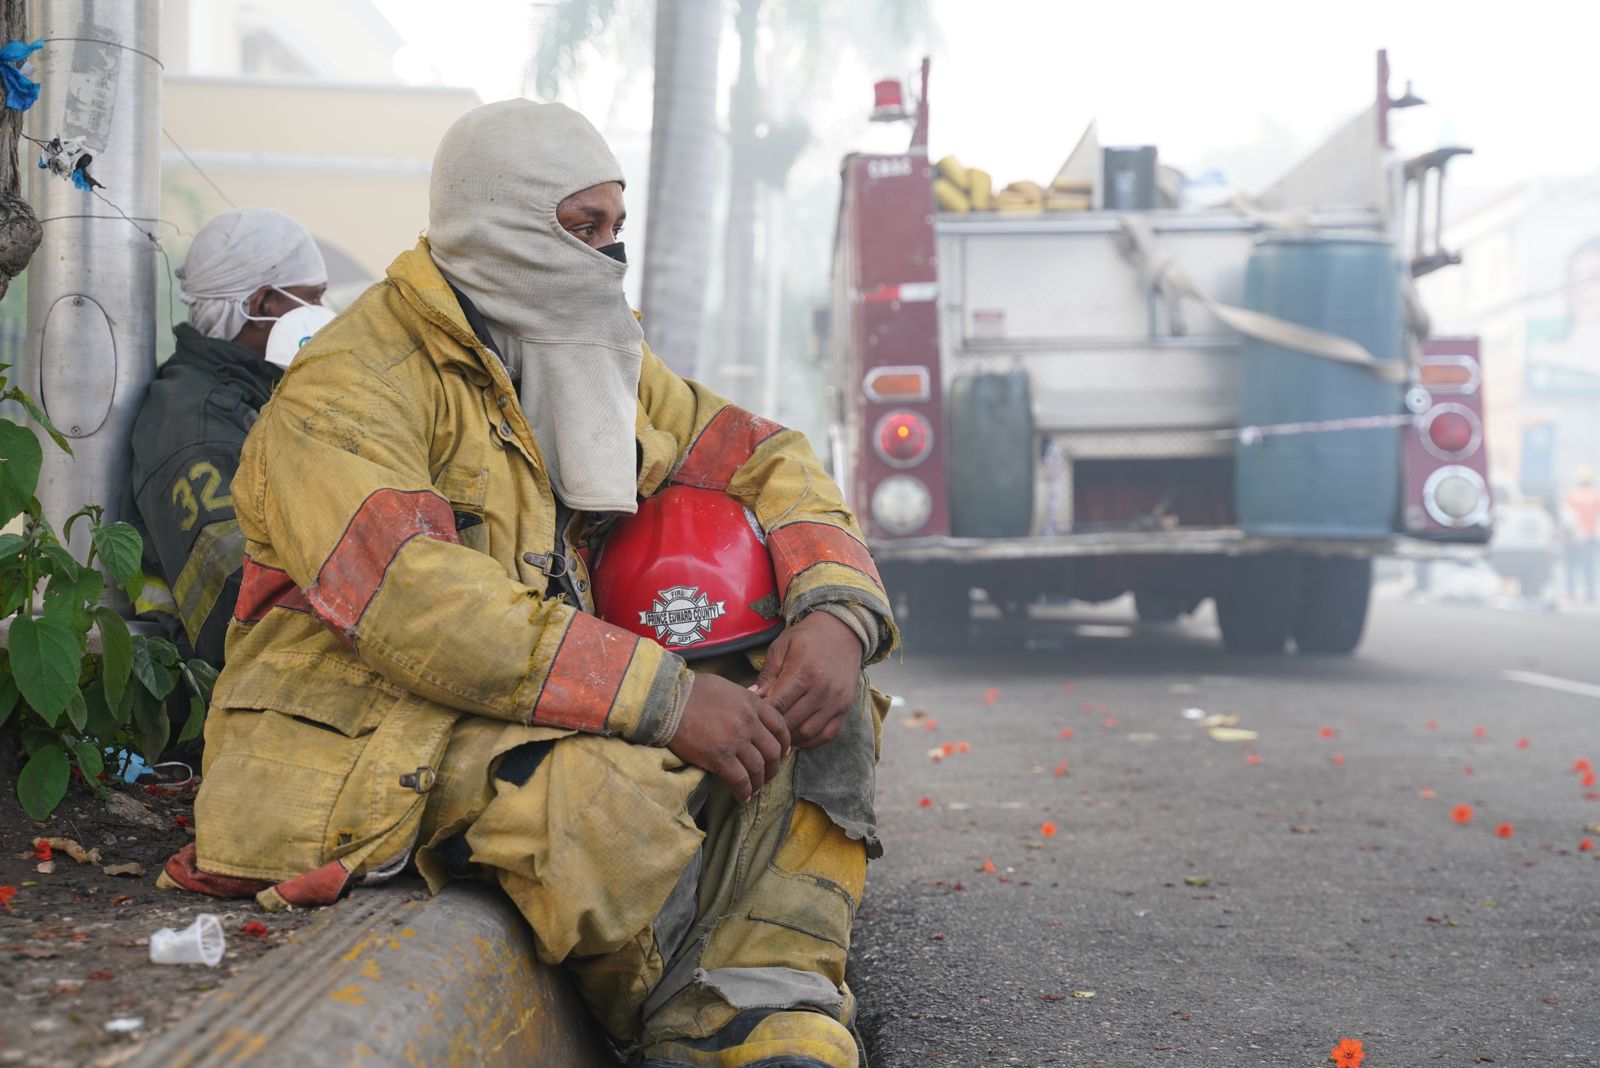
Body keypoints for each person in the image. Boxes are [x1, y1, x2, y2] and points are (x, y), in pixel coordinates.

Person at [168, 101, 896, 1068]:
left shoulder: (589, 349)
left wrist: (835, 610)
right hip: (360, 728)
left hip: (525, 694)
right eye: (580, 229)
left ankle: (779, 996)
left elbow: (765, 456)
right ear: (495, 226)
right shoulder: (352, 383)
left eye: (614, 231)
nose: (605, 258)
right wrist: (667, 697)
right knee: (612, 801)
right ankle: (692, 1025)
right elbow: (413, 601)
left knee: (819, 713)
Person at [127, 208, 328, 665]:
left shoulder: (254, 401)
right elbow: (242, 608)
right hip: (210, 716)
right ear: (261, 307)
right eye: (313, 299)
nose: (323, 317)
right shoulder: (197, 429)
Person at [1564, 468, 1600, 603]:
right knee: (1589, 566)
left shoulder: (1571, 495)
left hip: (1574, 537)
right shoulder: (1596, 495)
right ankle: (1589, 593)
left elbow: (1566, 517)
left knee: (1571, 566)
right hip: (1590, 536)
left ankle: (1570, 593)